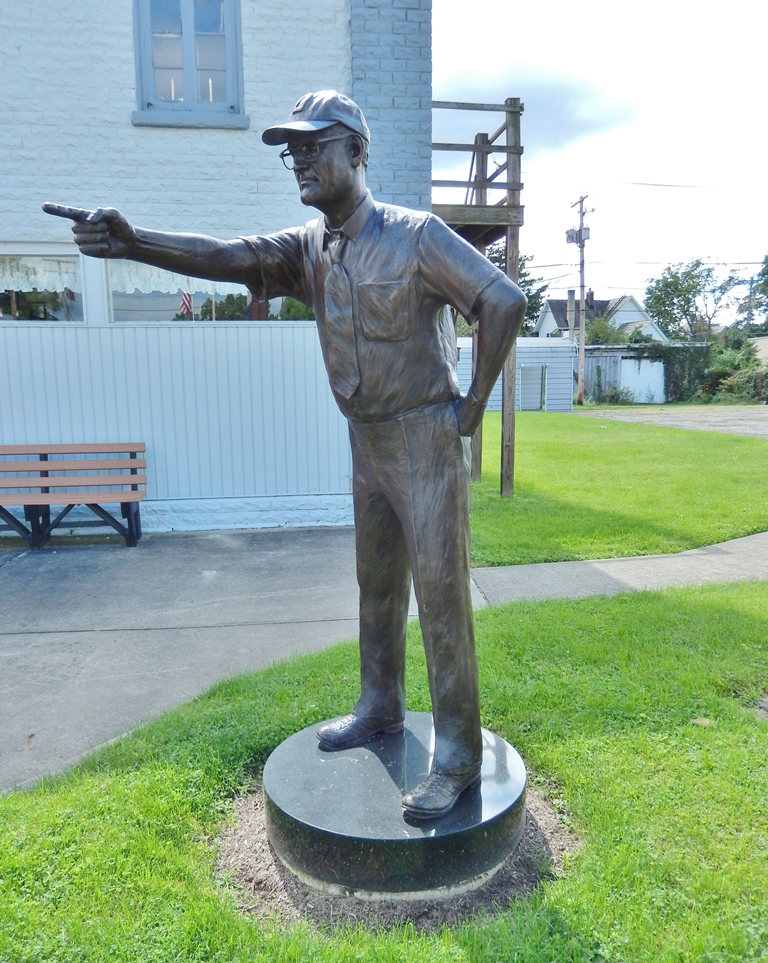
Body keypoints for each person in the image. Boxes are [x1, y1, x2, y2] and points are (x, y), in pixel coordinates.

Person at [44, 90, 526, 819]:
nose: (299, 160)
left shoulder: (417, 236)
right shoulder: (311, 247)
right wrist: (134, 240)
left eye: (314, 146)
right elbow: (229, 255)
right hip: (366, 440)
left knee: (441, 599)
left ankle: (457, 753)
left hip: (425, 438)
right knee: (376, 586)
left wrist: (471, 406)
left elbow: (503, 301)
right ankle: (380, 706)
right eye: (290, 150)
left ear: (356, 152)